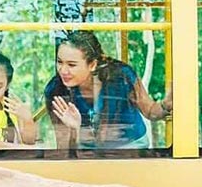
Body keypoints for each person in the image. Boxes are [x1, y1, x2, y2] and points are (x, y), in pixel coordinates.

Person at [44, 30, 172, 149]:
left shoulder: (122, 75)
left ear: (92, 65)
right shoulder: (55, 91)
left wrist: (166, 106)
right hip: (87, 153)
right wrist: (74, 131)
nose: (63, 70)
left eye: (71, 65)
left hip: (131, 149)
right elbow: (64, 151)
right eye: (59, 62)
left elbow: (150, 111)